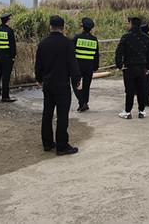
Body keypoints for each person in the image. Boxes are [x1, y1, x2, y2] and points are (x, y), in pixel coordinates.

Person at [35, 15, 82, 156]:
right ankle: (61, 146)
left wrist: (39, 79)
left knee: (47, 114)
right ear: (63, 27)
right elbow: (73, 64)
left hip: (48, 84)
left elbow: (38, 65)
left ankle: (47, 143)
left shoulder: (43, 44)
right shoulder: (67, 43)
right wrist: (77, 79)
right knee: (62, 116)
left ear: (50, 27)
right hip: (62, 84)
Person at [115, 16, 149, 119]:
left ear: (131, 24)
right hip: (142, 67)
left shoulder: (126, 37)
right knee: (141, 89)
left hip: (129, 67)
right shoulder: (146, 38)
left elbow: (119, 52)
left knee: (129, 90)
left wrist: (119, 65)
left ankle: (128, 112)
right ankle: (142, 111)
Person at [72, 17, 100, 112]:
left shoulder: (77, 37)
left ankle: (82, 102)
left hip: (78, 66)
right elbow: (96, 54)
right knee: (86, 86)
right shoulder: (94, 39)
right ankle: (85, 103)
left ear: (82, 26)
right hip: (89, 66)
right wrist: (95, 66)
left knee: (75, 84)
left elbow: (71, 52)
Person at [0, 12, 17, 102]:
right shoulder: (9, 31)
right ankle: (5, 96)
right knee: (6, 77)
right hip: (7, 57)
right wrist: (13, 56)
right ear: (7, 21)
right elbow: (12, 46)